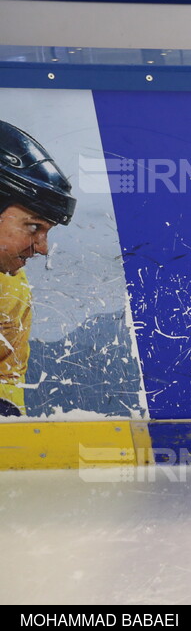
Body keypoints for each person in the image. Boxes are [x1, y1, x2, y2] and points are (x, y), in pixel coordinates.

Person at [0, 120, 76, 416]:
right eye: (33, 226)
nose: (43, 248)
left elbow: (6, 378)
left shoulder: (10, 289)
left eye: (48, 231)